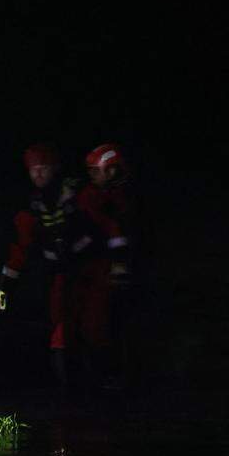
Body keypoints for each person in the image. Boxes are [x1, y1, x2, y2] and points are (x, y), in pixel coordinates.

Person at [0, 143, 86, 384]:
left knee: (91, 326)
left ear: (55, 168)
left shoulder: (79, 196)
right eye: (33, 169)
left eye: (43, 168)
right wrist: (2, 295)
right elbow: (17, 255)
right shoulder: (31, 208)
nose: (38, 174)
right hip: (57, 277)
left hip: (87, 272)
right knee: (59, 327)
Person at [72, 142, 135, 386]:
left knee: (109, 323)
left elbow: (118, 232)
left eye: (97, 170)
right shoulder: (90, 195)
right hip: (91, 267)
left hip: (108, 268)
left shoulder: (122, 197)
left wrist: (120, 265)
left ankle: (111, 375)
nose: (93, 175)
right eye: (92, 171)